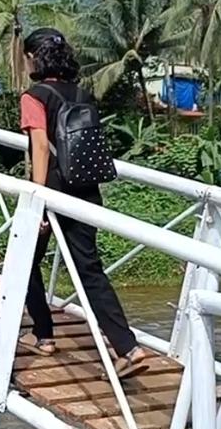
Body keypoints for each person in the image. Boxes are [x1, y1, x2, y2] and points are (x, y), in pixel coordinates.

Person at [18, 28, 155, 377]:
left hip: (52, 189)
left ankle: (44, 335)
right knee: (89, 270)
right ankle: (128, 347)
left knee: (24, 262)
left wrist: (39, 199)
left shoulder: (34, 96)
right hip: (86, 188)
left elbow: (39, 148)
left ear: (34, 58)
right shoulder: (82, 93)